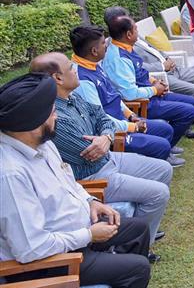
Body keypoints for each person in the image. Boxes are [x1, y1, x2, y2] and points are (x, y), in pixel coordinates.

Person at [0, 73, 159, 288]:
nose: (57, 117)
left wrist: (91, 202)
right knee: (137, 269)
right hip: (48, 260)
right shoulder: (10, 174)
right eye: (52, 113)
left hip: (75, 229)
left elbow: (68, 183)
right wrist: (88, 234)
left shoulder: (39, 143)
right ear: (32, 122)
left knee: (139, 229)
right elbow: (30, 248)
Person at [30, 54, 172, 254]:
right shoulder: (53, 115)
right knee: (159, 193)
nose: (76, 70)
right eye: (71, 67)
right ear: (57, 78)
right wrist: (104, 137)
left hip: (109, 158)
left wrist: (106, 137)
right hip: (93, 175)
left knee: (164, 169)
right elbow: (87, 151)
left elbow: (102, 118)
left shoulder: (72, 96)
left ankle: (140, 232)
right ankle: (134, 247)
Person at [69, 25, 181, 166]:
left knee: (165, 129)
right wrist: (133, 127)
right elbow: (100, 119)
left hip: (124, 120)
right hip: (112, 132)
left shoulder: (94, 65)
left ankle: (158, 162)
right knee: (162, 145)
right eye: (104, 43)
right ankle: (153, 170)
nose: (107, 46)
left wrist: (131, 115)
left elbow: (113, 95)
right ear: (94, 50)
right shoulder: (83, 80)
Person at [104, 15, 194, 143]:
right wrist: (155, 90)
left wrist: (155, 81)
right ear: (128, 34)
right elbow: (129, 93)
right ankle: (166, 146)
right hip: (143, 102)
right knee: (187, 111)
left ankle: (168, 141)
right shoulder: (118, 59)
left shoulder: (126, 48)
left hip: (151, 94)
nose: (138, 32)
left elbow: (141, 72)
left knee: (191, 101)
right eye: (136, 29)